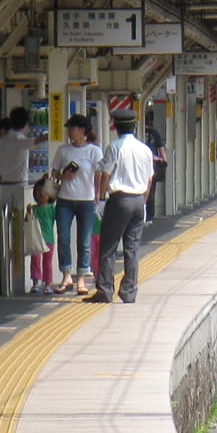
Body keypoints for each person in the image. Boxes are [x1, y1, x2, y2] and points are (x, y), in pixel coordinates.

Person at [88, 109, 154, 304]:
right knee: (132, 248)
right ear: (134, 126)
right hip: (138, 200)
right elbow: (150, 179)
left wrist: (100, 198)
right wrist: (143, 200)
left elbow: (106, 173)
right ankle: (129, 291)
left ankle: (105, 290)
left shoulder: (114, 147)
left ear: (115, 126)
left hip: (119, 200)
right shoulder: (145, 150)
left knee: (108, 246)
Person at [51, 114, 102, 295]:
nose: (70, 132)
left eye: (73, 128)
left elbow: (99, 174)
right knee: (63, 237)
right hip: (65, 199)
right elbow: (54, 173)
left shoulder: (94, 151)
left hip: (86, 201)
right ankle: (66, 275)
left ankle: (81, 277)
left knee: (84, 240)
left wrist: (97, 193)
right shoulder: (63, 151)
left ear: (82, 130)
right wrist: (63, 176)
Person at [28, 178, 57, 294]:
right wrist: (28, 212)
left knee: (47, 262)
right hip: (36, 239)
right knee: (35, 260)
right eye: (38, 192)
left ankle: (48, 283)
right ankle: (35, 282)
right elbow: (28, 221)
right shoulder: (33, 209)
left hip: (49, 239)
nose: (40, 194)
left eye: (44, 192)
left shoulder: (52, 208)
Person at [143, 110, 167, 221]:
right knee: (151, 191)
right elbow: (161, 149)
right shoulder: (154, 133)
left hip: (139, 165)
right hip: (152, 165)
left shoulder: (138, 132)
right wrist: (165, 163)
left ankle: (141, 214)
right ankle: (148, 216)